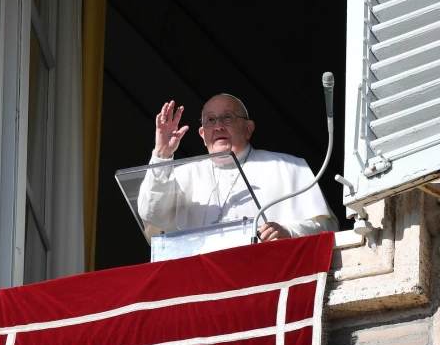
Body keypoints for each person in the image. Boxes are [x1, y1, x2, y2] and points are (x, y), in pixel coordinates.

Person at [137, 95, 338, 241]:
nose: (218, 127)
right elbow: (152, 214)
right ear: (202, 134)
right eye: (210, 120)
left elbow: (327, 227)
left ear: (248, 129)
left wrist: (288, 232)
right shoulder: (182, 174)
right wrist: (161, 155)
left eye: (228, 118)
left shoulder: (287, 167)